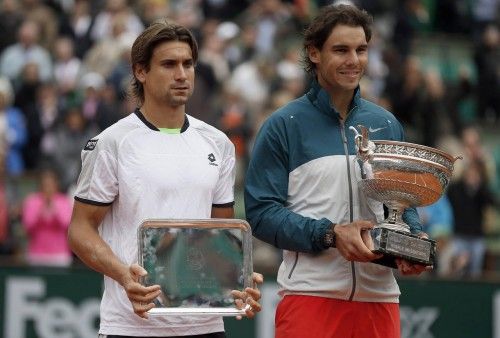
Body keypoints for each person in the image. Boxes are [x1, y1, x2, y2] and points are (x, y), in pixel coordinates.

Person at [68, 19, 262, 338]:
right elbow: (80, 230)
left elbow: (219, 237)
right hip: (131, 326)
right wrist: (124, 276)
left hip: (205, 326)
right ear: (140, 71)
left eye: (188, 64)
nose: (182, 74)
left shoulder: (219, 143)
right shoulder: (112, 143)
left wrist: (239, 281)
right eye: (169, 64)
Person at [244, 5, 428, 338]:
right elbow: (261, 213)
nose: (353, 60)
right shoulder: (283, 126)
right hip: (310, 299)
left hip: (380, 300)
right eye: (341, 50)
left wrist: (412, 240)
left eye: (361, 50)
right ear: (314, 53)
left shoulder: (386, 124)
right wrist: (330, 234)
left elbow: (400, 204)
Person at [22, 167, 73, 266]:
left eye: (50, 184)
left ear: (56, 185)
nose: (48, 187)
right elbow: (28, 226)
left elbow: (67, 224)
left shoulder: (64, 201)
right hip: (37, 254)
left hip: (60, 254)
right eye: (45, 185)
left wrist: (55, 210)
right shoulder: (32, 201)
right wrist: (41, 210)